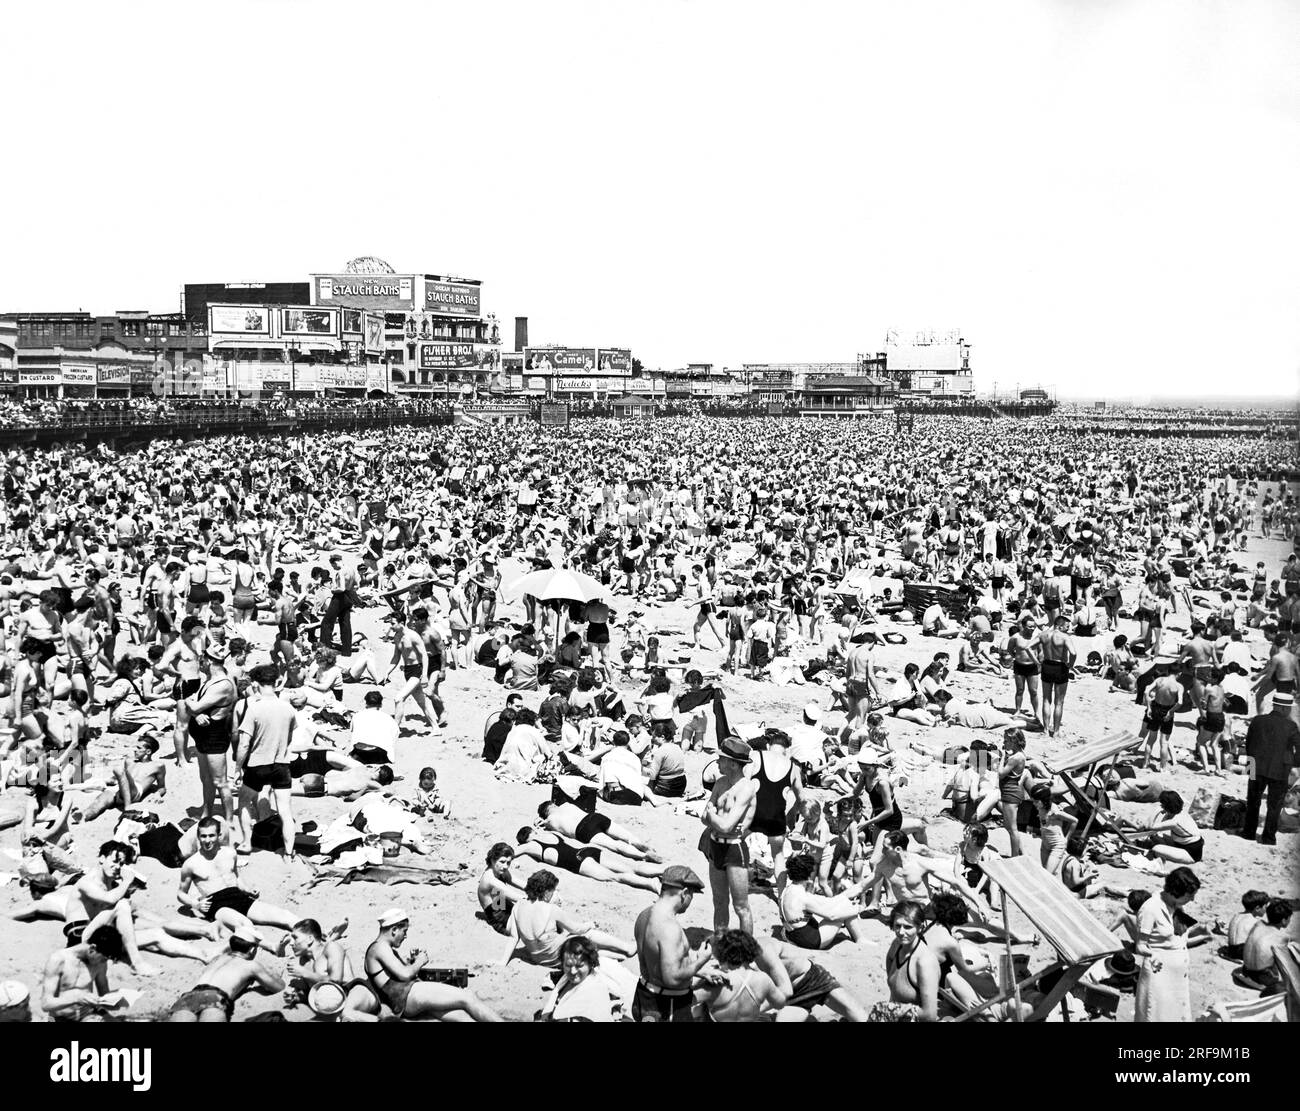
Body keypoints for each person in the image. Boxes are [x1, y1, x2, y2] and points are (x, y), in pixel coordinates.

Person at [364, 908, 501, 1021]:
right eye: (404, 931)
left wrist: (409, 963)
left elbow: (395, 975)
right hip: (410, 995)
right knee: (468, 997)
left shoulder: (382, 949)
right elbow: (405, 974)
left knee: (461, 1016)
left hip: (405, 1001)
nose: (405, 936)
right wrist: (420, 961)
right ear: (394, 930)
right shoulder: (380, 947)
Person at [177, 817, 298, 933]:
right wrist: (195, 904)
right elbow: (181, 894)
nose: (207, 840)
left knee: (284, 915)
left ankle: (312, 939)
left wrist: (248, 889)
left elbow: (235, 877)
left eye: (211, 835)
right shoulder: (191, 864)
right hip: (216, 905)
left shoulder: (230, 853)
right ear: (198, 837)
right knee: (245, 925)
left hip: (238, 897)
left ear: (219, 836)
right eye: (203, 836)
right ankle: (273, 947)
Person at [232, 662, 297, 858]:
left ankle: (246, 843)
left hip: (258, 763)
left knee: (243, 801)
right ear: (275, 682)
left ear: (256, 684)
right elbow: (289, 738)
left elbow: (243, 744)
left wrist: (237, 768)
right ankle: (288, 852)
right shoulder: (288, 708)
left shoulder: (254, 709)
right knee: (285, 810)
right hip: (281, 764)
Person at [631, 864, 712, 1022]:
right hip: (667, 1006)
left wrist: (703, 972)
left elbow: (658, 961)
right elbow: (672, 978)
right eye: (692, 896)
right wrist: (702, 960)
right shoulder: (669, 928)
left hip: (644, 995)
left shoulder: (645, 915)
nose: (690, 901)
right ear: (685, 893)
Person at [700, 734, 759, 934]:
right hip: (716, 845)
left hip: (734, 849)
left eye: (722, 759)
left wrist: (712, 816)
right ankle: (720, 944)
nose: (717, 761)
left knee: (741, 906)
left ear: (734, 764)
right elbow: (703, 817)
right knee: (719, 901)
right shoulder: (720, 783)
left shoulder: (746, 788)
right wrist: (714, 818)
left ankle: (746, 952)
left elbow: (724, 825)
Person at [168, 926, 285, 1022]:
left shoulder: (217, 958)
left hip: (189, 996)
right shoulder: (251, 965)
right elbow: (278, 987)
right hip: (215, 996)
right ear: (252, 950)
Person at [1134, 867, 1200, 1023]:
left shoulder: (1177, 906)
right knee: (1156, 1016)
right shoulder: (1151, 909)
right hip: (1159, 976)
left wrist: (1200, 933)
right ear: (1176, 891)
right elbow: (1140, 946)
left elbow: (1177, 940)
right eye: (1189, 895)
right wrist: (1152, 955)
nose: (1192, 899)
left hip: (1177, 978)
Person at [749, 727, 805, 892]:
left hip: (754, 813)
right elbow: (802, 798)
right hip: (776, 816)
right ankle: (781, 896)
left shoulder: (756, 756)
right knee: (778, 856)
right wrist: (794, 817)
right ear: (787, 751)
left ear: (769, 746)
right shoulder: (793, 768)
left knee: (739, 845)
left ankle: (742, 881)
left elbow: (743, 784)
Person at [1240, 691, 1300, 845]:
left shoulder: (1258, 720)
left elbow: (1249, 744)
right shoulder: (1291, 726)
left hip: (1254, 765)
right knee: (1274, 804)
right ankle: (1268, 837)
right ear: (1284, 708)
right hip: (1280, 769)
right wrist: (1294, 764)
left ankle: (1249, 832)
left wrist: (1250, 765)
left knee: (1253, 800)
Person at [778, 853, 871, 949]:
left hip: (790, 934)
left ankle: (860, 938)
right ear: (808, 874)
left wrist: (844, 897)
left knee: (842, 903)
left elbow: (829, 903)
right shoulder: (803, 897)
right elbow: (832, 916)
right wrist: (857, 910)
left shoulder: (787, 890)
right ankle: (860, 938)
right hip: (809, 941)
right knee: (846, 908)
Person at [41, 925, 131, 1022]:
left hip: (87, 1015)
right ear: (92, 949)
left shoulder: (100, 964)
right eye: (103, 959)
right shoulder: (58, 960)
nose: (104, 963)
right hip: (60, 1019)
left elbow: (104, 995)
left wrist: (115, 1002)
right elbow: (46, 1004)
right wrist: (76, 998)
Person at [695, 929, 787, 1022]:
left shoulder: (718, 981)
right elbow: (780, 1003)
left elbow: (683, 999)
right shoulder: (763, 979)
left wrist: (699, 965)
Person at [876, 900, 940, 1022]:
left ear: (920, 928)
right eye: (897, 925)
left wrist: (891, 1010)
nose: (901, 932)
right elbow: (890, 961)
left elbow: (930, 1015)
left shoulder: (924, 963)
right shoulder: (897, 945)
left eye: (908, 927)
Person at [536, 800, 660, 861]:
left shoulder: (550, 821)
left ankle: (643, 856)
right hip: (593, 816)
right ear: (552, 805)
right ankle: (639, 843)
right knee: (626, 835)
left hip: (582, 830)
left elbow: (539, 823)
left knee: (616, 845)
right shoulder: (566, 805)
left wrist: (541, 820)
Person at [537, 935, 615, 1022]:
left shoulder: (595, 993)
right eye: (568, 965)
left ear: (590, 963)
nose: (573, 971)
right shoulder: (565, 979)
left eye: (579, 966)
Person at [1037, 615, 1075, 737]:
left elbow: (1029, 646)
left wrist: (1037, 660)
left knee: (1046, 699)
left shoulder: (1044, 634)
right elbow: (1073, 653)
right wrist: (1070, 664)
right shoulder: (1065, 637)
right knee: (1059, 702)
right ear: (1060, 625)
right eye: (1067, 626)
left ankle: (1046, 729)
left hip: (1047, 665)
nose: (1068, 629)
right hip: (1060, 667)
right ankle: (1056, 731)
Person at [476, 842, 526, 934]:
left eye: (508, 863)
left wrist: (539, 888)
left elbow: (517, 882)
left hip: (504, 905)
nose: (505, 866)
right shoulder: (490, 880)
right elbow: (519, 899)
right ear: (492, 860)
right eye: (502, 862)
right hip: (499, 919)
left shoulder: (499, 870)